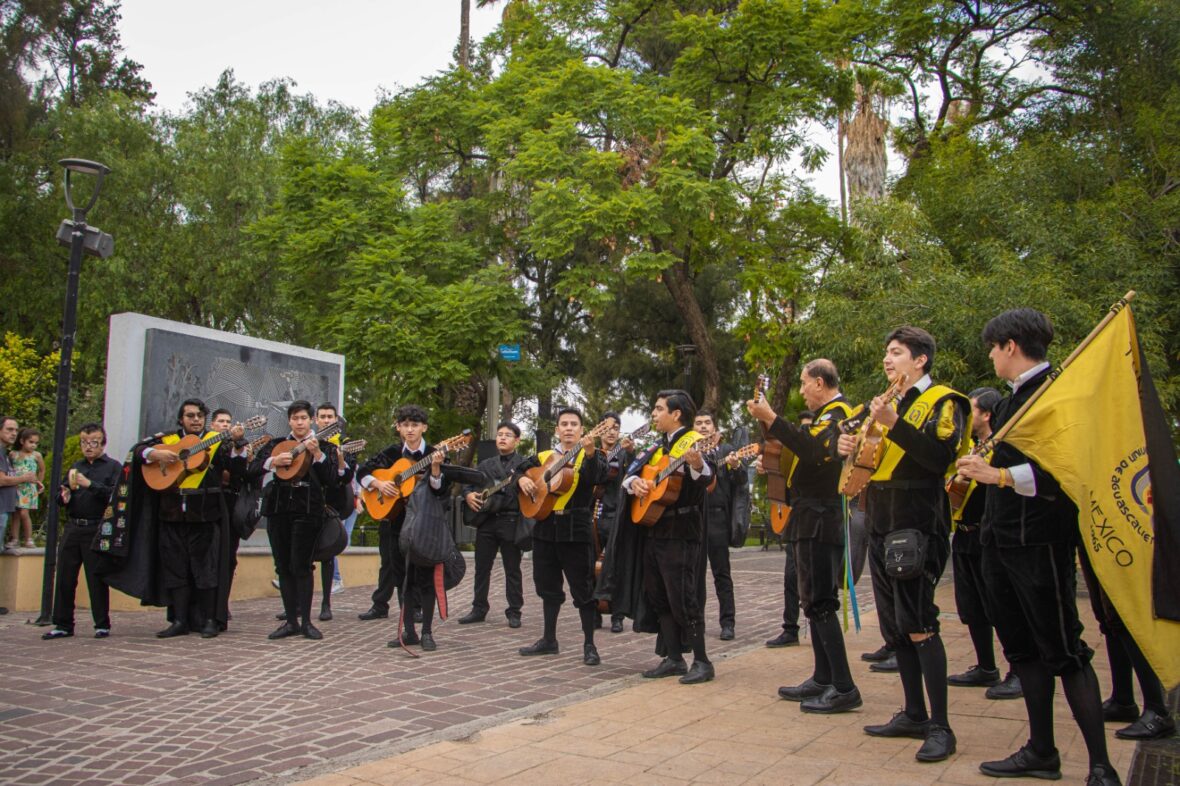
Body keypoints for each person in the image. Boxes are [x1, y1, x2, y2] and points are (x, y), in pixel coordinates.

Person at [956, 308, 1121, 785]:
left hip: (1040, 544)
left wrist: (999, 475)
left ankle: (1100, 765)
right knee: (1023, 653)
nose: (989, 355)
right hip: (999, 542)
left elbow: (1063, 473)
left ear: (1010, 346)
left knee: (1064, 651)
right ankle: (1041, 751)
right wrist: (980, 464)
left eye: (992, 346)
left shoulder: (1056, 396)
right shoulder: (1009, 403)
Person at [837, 326, 969, 763]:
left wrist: (894, 425)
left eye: (896, 353)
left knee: (919, 621)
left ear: (921, 360)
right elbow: (871, 457)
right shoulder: (886, 403)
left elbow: (938, 459)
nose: (887, 360)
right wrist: (850, 448)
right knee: (896, 625)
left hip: (917, 522)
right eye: (886, 353)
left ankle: (941, 726)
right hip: (881, 517)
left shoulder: (944, 402)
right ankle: (913, 712)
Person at [749, 359, 861, 714]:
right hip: (808, 514)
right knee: (812, 600)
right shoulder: (824, 415)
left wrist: (771, 417)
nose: (800, 391)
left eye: (802, 384)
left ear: (818, 382)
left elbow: (814, 453)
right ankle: (823, 676)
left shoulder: (840, 414)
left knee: (820, 602)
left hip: (820, 516)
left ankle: (843, 685)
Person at [623, 390, 716, 684]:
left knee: (684, 597)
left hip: (681, 531)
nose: (653, 414)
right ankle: (674, 658)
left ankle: (701, 661)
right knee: (659, 595)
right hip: (655, 529)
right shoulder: (656, 445)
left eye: (658, 408)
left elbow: (708, 476)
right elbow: (631, 473)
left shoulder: (693, 442)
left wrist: (698, 464)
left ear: (676, 414)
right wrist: (634, 482)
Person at [143, 399, 246, 639]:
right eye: (190, 415)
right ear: (181, 419)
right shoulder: (168, 441)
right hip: (172, 513)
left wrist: (238, 444)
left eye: (200, 415)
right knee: (176, 568)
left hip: (205, 513)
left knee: (206, 569)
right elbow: (139, 451)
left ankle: (209, 619)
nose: (195, 419)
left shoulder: (216, 440)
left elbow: (236, 470)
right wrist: (155, 453)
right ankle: (179, 620)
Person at [947, 388, 1022, 700]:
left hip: (987, 533)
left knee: (999, 604)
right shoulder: (971, 447)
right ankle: (985, 665)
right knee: (971, 605)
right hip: (963, 533)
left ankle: (1018, 670)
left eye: (973, 410)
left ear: (987, 415)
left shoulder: (999, 450)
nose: (968, 416)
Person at [515, 408, 606, 665]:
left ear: (582, 430)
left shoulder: (591, 455)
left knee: (583, 587)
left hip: (575, 528)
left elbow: (597, 478)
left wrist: (589, 453)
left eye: (573, 424)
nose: (568, 428)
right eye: (563, 424)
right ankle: (549, 639)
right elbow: (518, 471)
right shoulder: (544, 455)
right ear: (557, 430)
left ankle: (589, 644)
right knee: (547, 585)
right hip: (545, 527)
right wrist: (521, 480)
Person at [356, 404, 449, 650]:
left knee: (426, 578)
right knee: (402, 579)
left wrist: (437, 468)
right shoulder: (391, 452)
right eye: (405, 425)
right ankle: (409, 631)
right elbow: (362, 472)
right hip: (396, 523)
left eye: (415, 425)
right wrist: (377, 483)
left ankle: (427, 632)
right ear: (399, 427)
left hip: (425, 525)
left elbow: (441, 491)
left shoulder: (434, 452)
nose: (410, 430)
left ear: (424, 427)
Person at [250, 400, 338, 641]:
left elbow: (332, 479)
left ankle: (307, 622)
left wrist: (317, 454)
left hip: (308, 510)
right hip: (279, 508)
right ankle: (291, 621)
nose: (300, 422)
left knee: (302, 565)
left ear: (311, 420)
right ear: (289, 421)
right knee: (283, 566)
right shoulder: (277, 445)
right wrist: (273, 462)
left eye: (304, 418)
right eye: (295, 418)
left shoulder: (325, 446)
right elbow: (252, 467)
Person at [40, 424, 121, 640]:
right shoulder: (77, 466)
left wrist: (90, 484)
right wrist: (63, 496)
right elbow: (62, 493)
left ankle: (101, 624)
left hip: (96, 527)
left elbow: (115, 495)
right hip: (74, 526)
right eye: (84, 442)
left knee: (96, 578)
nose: (88, 447)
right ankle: (63, 624)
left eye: (93, 442)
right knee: (65, 577)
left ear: (103, 443)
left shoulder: (113, 467)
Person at [458, 421, 526, 628]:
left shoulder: (524, 464)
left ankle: (514, 611)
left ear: (517, 440)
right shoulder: (485, 464)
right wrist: (468, 495)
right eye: (499, 435)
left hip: (511, 520)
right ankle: (479, 608)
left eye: (507, 435)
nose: (502, 438)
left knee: (512, 569)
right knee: (481, 567)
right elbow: (468, 483)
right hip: (487, 522)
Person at [692, 410, 743, 641]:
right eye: (699, 423)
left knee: (722, 573)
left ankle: (728, 622)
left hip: (717, 518)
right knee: (694, 574)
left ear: (714, 427)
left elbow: (740, 482)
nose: (703, 427)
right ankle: (696, 621)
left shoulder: (726, 450)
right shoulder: (689, 452)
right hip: (694, 518)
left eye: (707, 423)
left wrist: (735, 466)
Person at [764, 411, 809, 649]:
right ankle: (790, 627)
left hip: (816, 518)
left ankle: (818, 621)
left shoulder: (823, 457)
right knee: (791, 575)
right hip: (793, 516)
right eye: (802, 430)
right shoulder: (790, 454)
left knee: (814, 577)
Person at [595, 412, 635, 633]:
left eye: (616, 427)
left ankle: (617, 615)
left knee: (616, 565)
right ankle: (594, 612)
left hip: (616, 515)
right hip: (593, 516)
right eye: (607, 427)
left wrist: (630, 453)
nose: (611, 431)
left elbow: (634, 474)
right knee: (590, 565)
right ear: (599, 429)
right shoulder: (591, 453)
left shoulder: (623, 455)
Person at [0, 416, 37, 567]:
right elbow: (1, 480)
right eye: (9, 429)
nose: (14, 433)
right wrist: (24, 477)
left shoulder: (5, 453)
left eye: (16, 430)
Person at [7, 427, 43, 548]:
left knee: (23, 513)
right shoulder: (13, 454)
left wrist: (39, 482)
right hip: (16, 487)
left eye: (36, 443)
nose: (34, 445)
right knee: (15, 514)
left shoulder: (36, 455)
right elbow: (9, 469)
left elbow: (42, 469)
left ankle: (29, 538)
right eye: (31, 442)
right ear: (22, 441)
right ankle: (15, 539)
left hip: (28, 488)